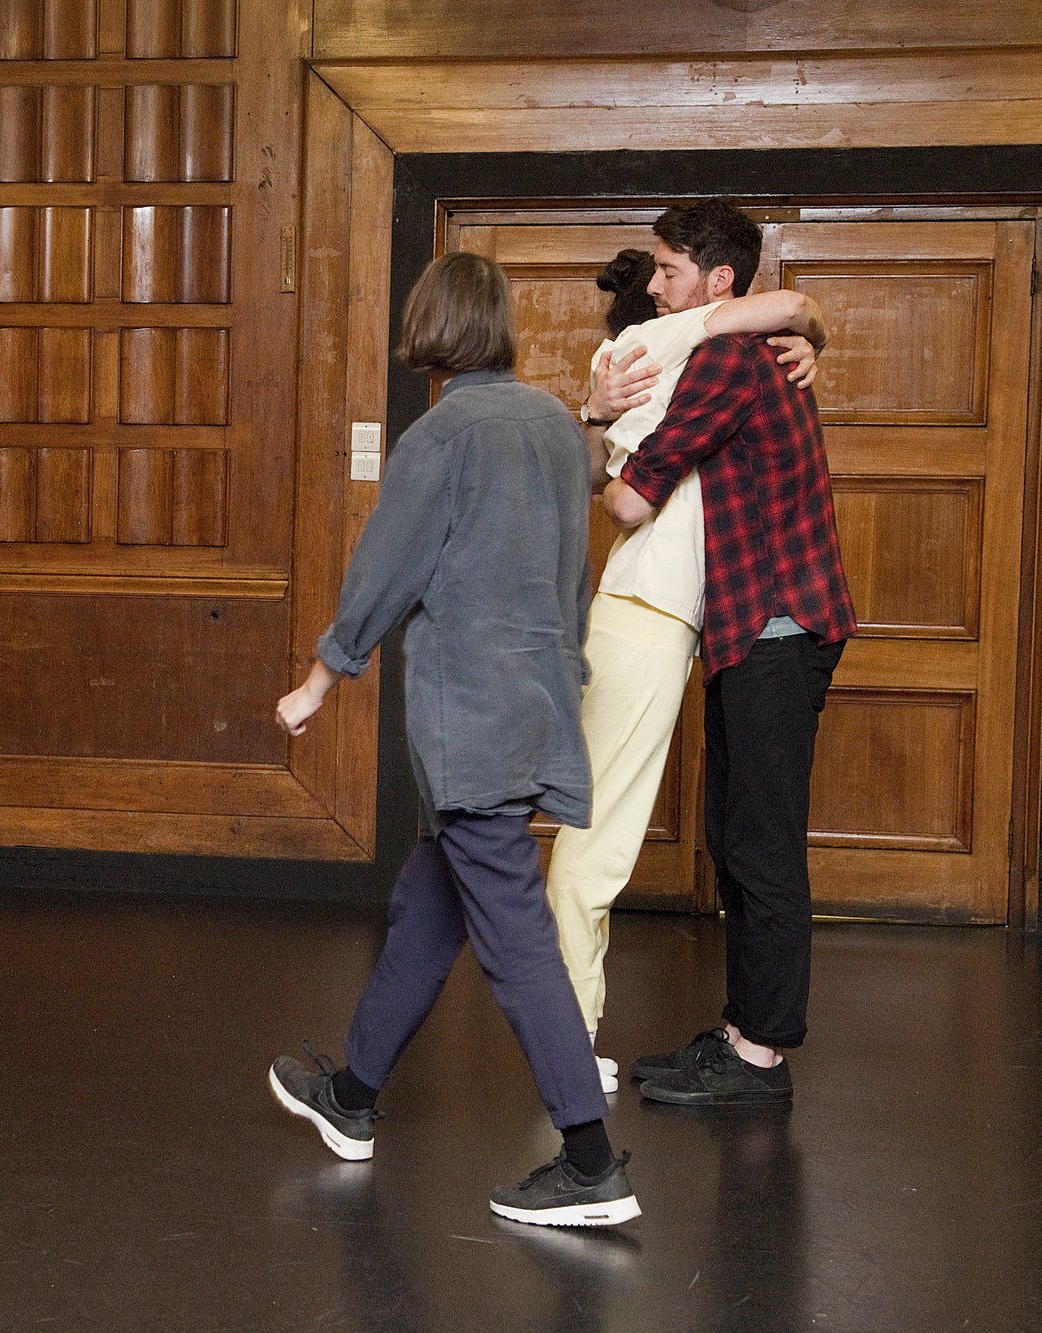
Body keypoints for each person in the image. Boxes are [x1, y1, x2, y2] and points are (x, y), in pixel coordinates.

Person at [267, 251, 639, 1228]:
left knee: (514, 938)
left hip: (468, 721)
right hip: (536, 707)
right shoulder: (556, 433)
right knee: (429, 902)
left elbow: (382, 574)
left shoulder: (439, 436)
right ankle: (348, 1097)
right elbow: (570, 582)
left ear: (429, 328)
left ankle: (590, 1161)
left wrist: (317, 681)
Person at [597, 198, 856, 1107]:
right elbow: (797, 311)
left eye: (666, 271)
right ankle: (747, 1032)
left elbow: (630, 501)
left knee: (762, 844)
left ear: (716, 282)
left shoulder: (722, 363)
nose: (653, 287)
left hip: (774, 624)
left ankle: (761, 1054)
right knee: (737, 837)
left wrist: (603, 428)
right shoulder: (743, 349)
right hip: (760, 625)